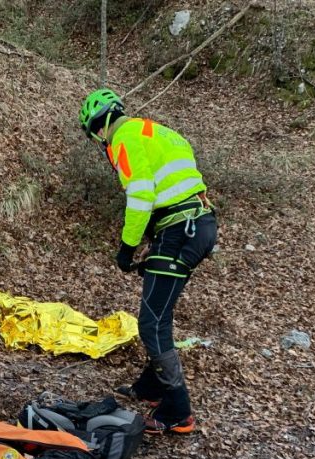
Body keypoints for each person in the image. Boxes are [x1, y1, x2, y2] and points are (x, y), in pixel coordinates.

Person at [78, 88, 218, 434]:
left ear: (101, 125)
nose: (99, 141)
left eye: (95, 132)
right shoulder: (159, 131)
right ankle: (151, 386)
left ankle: (178, 410)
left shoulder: (121, 138)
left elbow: (141, 193)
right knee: (158, 311)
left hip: (180, 231)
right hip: (195, 225)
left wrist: (127, 247)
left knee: (152, 323)